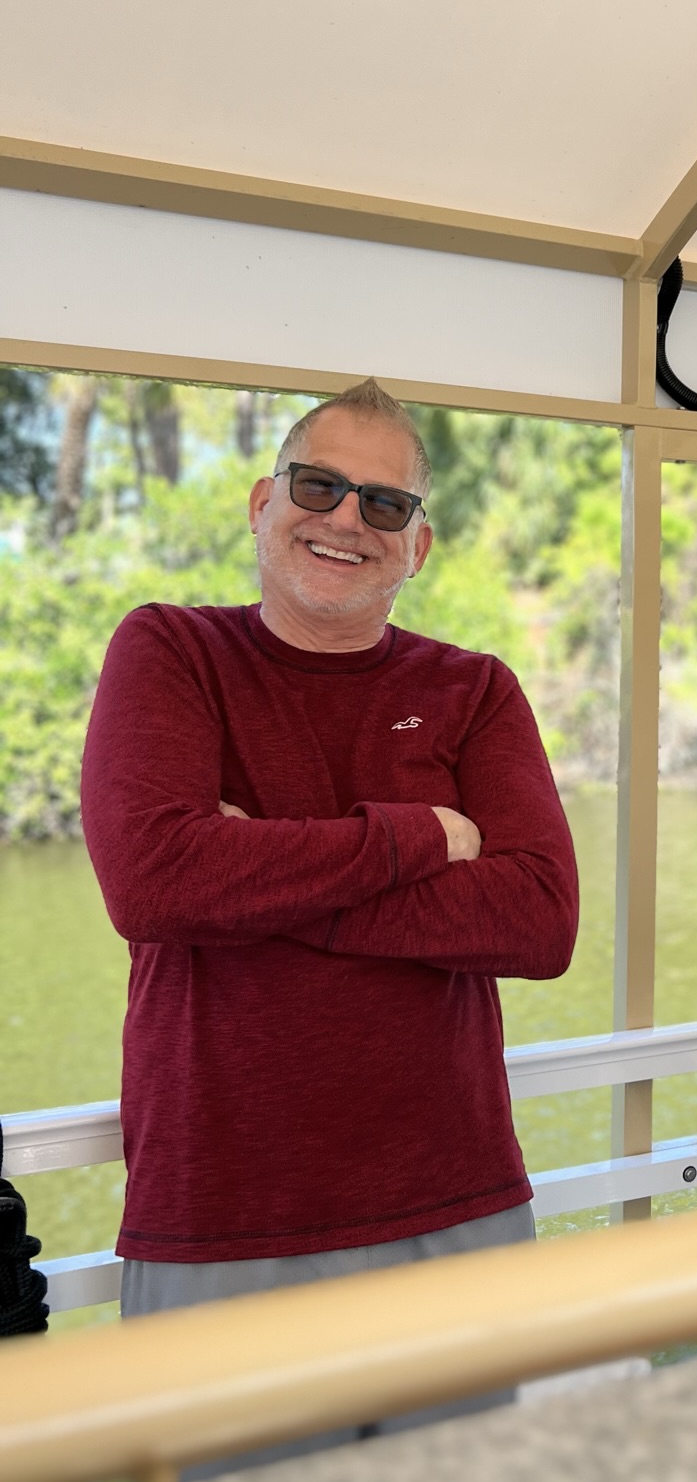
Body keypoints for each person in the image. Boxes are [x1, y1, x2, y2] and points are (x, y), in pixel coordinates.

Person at [82, 378, 579, 1323]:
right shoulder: (171, 650)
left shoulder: (475, 689)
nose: (348, 519)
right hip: (221, 1221)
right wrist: (420, 835)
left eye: (385, 503)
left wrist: (249, 872)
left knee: (471, 1480)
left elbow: (539, 920)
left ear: (418, 544)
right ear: (265, 504)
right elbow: (153, 884)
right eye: (318, 487)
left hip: (459, 1210)